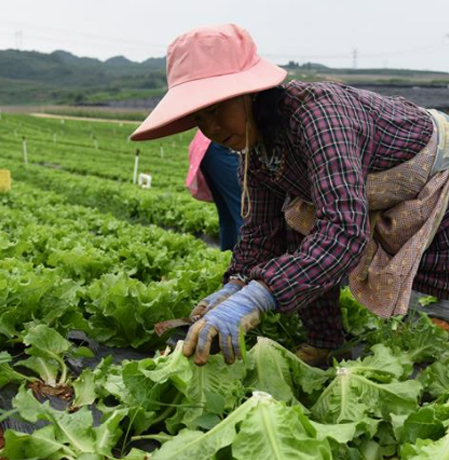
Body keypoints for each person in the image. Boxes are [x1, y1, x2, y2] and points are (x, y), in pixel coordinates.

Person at [130, 24, 449, 367]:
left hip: (432, 177)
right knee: (296, 230)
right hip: (373, 189)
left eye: (217, 109)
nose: (212, 128)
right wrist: (237, 284)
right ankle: (325, 343)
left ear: (250, 93)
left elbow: (343, 230)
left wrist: (261, 294)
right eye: (199, 117)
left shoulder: (320, 116)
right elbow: (260, 233)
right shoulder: (254, 151)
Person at [186, 130, 243, 250]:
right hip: (217, 144)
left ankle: (231, 259)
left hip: (210, 144)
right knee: (244, 209)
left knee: (228, 213)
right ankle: (253, 262)